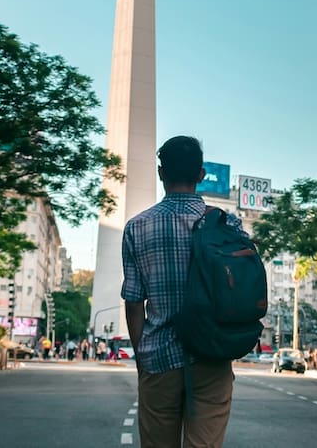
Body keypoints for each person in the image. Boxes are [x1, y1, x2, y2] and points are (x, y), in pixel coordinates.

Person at [122, 136, 245, 448]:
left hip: (159, 357)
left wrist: (141, 357)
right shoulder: (227, 223)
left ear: (161, 173)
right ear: (201, 175)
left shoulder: (137, 227)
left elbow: (134, 303)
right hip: (212, 355)